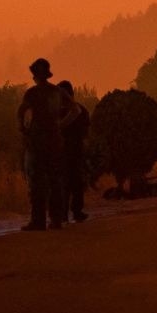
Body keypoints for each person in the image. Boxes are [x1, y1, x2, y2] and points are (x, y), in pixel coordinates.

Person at [16, 58, 78, 230]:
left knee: (36, 182)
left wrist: (23, 129)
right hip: (55, 141)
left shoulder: (32, 94)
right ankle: (56, 219)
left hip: (37, 142)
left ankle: (38, 220)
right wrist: (61, 124)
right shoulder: (58, 92)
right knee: (55, 181)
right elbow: (76, 110)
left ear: (34, 75)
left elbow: (21, 113)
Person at [58, 80, 91, 223]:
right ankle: (75, 212)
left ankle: (66, 213)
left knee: (66, 183)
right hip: (74, 150)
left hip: (65, 151)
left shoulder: (58, 112)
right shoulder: (81, 110)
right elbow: (86, 132)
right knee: (75, 183)